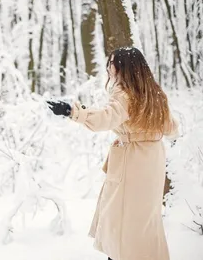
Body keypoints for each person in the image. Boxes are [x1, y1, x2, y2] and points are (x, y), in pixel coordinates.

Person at [47, 47, 179, 260]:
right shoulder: (155, 94)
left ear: (123, 68)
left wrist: (72, 112)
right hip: (153, 161)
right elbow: (172, 128)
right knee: (145, 221)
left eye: (112, 63)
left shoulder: (126, 95)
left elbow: (106, 118)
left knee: (122, 220)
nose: (109, 68)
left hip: (132, 163)